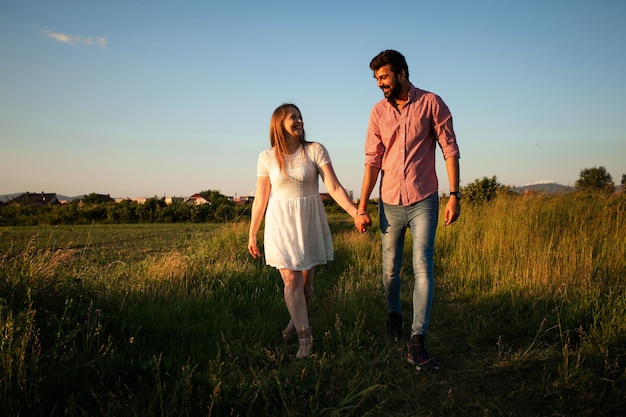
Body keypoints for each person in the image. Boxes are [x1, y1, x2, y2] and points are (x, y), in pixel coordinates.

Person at [355, 50, 461, 371]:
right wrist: (361, 205)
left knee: (422, 265)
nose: (380, 84)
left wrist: (454, 194)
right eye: (376, 79)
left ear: (402, 73)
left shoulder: (432, 103)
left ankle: (417, 340)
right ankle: (394, 313)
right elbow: (372, 161)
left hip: (424, 198)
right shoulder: (377, 113)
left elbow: (450, 149)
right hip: (388, 202)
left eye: (384, 77)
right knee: (390, 269)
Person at [248, 103, 369, 358]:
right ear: (279, 123)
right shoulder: (266, 157)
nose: (300, 120)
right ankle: (306, 339)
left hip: (309, 220)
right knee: (290, 281)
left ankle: (295, 320)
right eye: (293, 117)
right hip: (280, 223)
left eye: (301, 116)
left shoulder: (315, 150)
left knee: (305, 284)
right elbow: (260, 199)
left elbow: (334, 187)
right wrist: (252, 233)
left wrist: (356, 212)